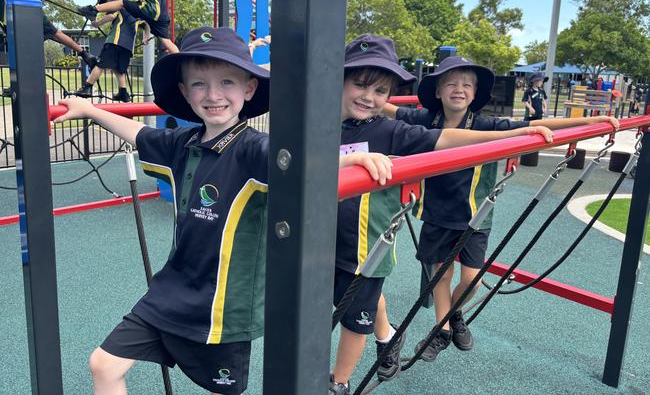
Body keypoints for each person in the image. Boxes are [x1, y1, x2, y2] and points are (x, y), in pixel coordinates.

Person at [56, 26, 386, 394]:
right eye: (199, 84)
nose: (213, 95)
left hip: (222, 307)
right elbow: (138, 133)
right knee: (103, 364)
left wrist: (356, 157)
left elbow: (299, 158)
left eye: (227, 82)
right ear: (184, 91)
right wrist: (90, 109)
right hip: (171, 290)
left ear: (248, 89)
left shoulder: (253, 149)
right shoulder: (183, 142)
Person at [330, 37, 554, 395]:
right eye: (359, 84)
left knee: (357, 312)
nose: (368, 96)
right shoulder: (321, 123)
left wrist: (520, 133)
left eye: (380, 90)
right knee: (356, 295)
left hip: (368, 242)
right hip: (323, 236)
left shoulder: (393, 130)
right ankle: (387, 338)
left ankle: (338, 383)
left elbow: (445, 138)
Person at [382, 56, 619, 366]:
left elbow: (533, 125)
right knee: (441, 274)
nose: (459, 89)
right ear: (438, 91)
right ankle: (441, 330)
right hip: (435, 212)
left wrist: (586, 122)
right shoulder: (425, 120)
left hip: (475, 215)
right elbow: (388, 108)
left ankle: (454, 315)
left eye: (467, 85)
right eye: (451, 84)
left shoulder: (485, 124)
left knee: (473, 278)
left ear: (475, 93)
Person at [75, 0, 138, 102]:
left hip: (115, 41)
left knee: (100, 64)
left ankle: (88, 87)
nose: (107, 4)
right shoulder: (135, 14)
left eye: (109, 1)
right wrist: (146, 36)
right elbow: (146, 24)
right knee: (119, 69)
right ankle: (123, 93)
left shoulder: (119, 8)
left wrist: (97, 23)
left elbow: (111, 17)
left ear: (116, 1)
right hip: (128, 47)